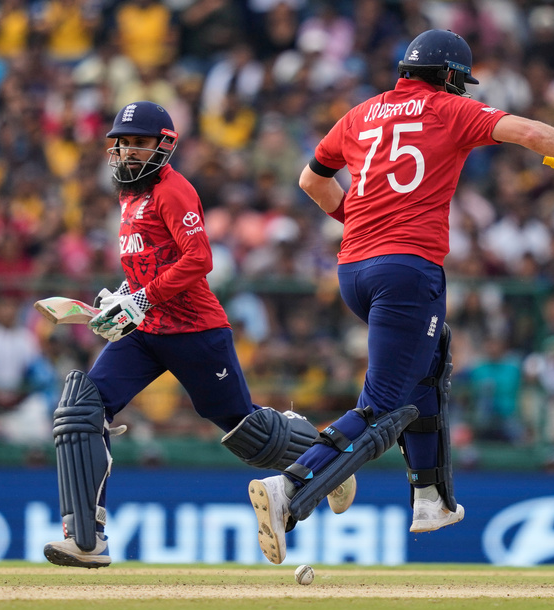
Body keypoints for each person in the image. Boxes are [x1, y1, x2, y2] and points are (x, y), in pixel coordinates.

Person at [245, 29, 554, 565]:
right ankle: (292, 487)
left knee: (429, 364)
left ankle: (430, 499)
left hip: (354, 269)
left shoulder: (359, 114)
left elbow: (313, 181)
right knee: (381, 405)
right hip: (407, 270)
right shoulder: (448, 109)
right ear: (449, 76)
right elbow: (529, 132)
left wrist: (360, 221)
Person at [42, 101, 352, 569]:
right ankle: (87, 537)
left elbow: (198, 259)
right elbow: (147, 265)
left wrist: (141, 300)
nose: (127, 152)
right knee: (82, 406)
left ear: (165, 145)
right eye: (121, 143)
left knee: (245, 432)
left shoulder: (174, 190)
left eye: (138, 143)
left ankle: (325, 458)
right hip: (145, 331)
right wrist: (120, 301)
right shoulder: (128, 195)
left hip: (194, 329)